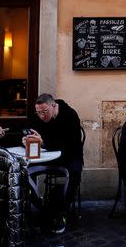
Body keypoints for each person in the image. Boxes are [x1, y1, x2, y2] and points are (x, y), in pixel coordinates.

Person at [25, 93, 84, 233]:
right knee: (23, 170)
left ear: (53, 105)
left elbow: (71, 144)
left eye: (45, 112)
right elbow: (31, 133)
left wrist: (44, 142)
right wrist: (26, 140)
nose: (42, 116)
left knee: (74, 172)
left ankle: (61, 212)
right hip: (45, 157)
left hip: (68, 156)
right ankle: (41, 207)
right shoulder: (38, 115)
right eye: (38, 113)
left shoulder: (70, 115)